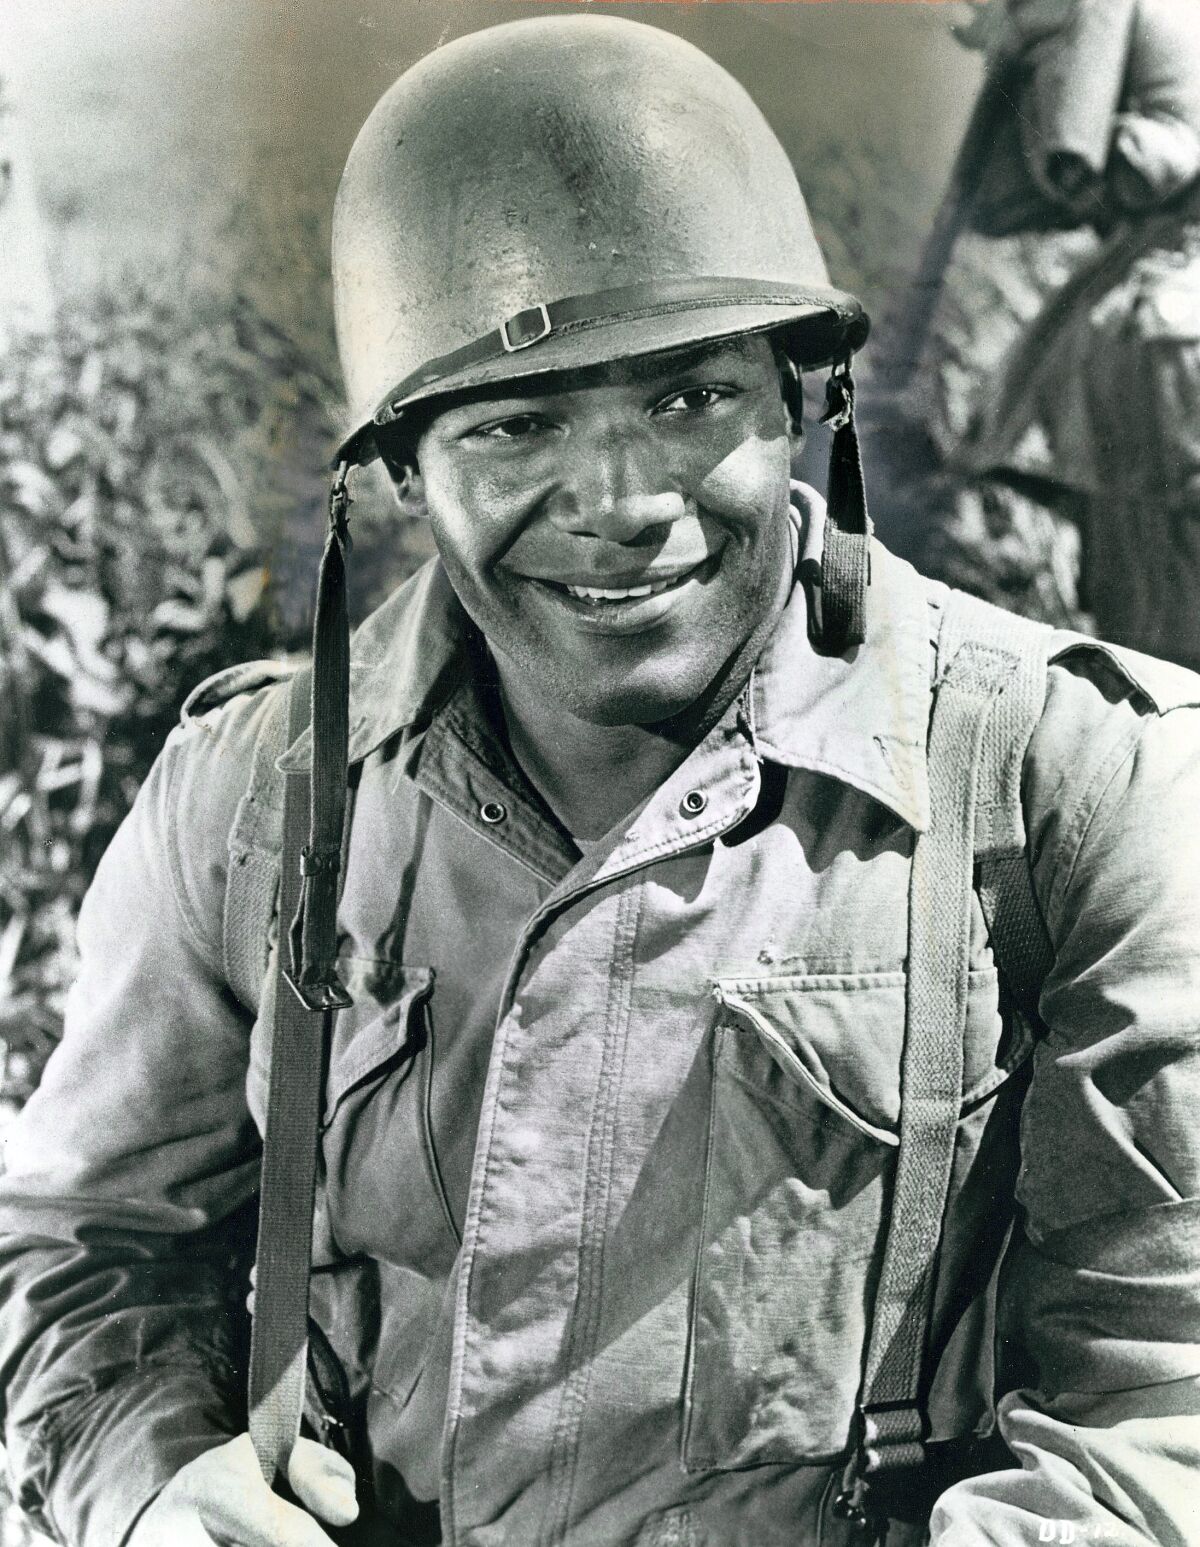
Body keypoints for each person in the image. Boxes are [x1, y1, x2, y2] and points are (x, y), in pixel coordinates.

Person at [2, 16, 1199, 1547]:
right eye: (517, 427)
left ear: (802, 400)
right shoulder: (258, 798)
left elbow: (1162, 1413)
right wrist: (156, 1480)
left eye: (691, 400)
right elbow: (83, 1242)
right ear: (403, 473)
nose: (624, 503)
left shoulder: (1071, 782)